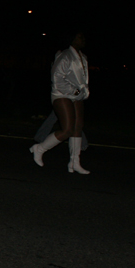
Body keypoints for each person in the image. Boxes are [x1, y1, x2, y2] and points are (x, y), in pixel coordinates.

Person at [29, 31, 90, 174]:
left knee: (77, 127)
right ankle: (40, 148)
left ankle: (74, 162)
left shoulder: (83, 57)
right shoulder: (65, 56)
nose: (83, 39)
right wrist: (73, 91)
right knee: (67, 129)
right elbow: (57, 78)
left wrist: (81, 92)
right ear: (72, 39)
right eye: (80, 37)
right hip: (62, 94)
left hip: (77, 95)